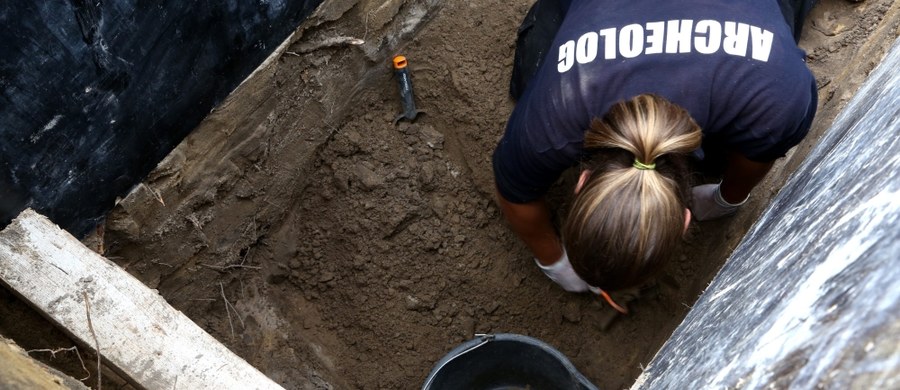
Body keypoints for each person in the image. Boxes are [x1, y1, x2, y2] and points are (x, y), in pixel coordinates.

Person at [492, 0, 818, 298]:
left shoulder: (779, 97)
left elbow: (516, 191)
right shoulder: (554, 111)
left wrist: (726, 199)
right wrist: (558, 265)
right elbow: (514, 191)